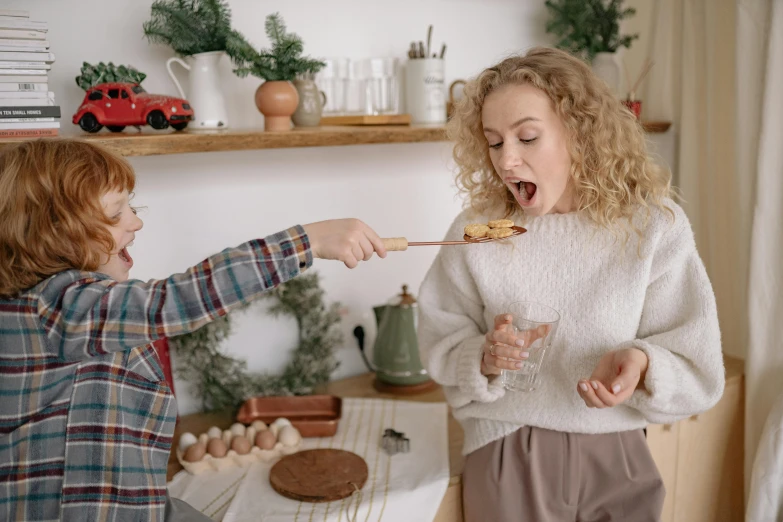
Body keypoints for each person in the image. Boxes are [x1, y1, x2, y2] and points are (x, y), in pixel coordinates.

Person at [0, 139, 387, 521]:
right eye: (118, 212)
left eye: (131, 206)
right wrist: (308, 241)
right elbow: (178, 299)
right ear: (54, 232)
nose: (137, 221)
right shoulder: (57, 309)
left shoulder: (69, 310)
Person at [417, 47, 724, 521]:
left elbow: (695, 358)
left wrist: (642, 363)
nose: (508, 160)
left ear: (580, 133)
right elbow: (439, 331)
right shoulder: (478, 229)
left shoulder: (653, 227)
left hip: (618, 450)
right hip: (506, 450)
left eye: (528, 137)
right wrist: (483, 356)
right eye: (495, 142)